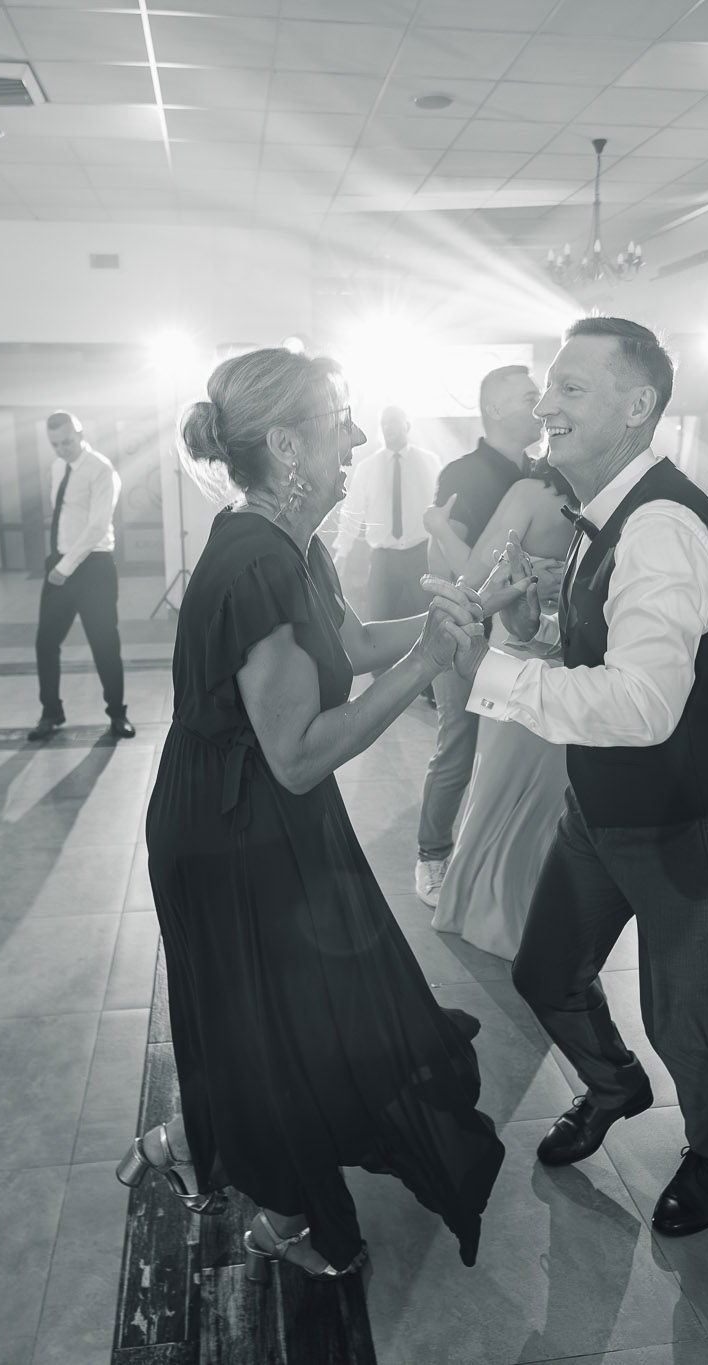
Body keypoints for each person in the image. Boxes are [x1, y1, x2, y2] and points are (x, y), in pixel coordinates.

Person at [130, 346, 504, 1283]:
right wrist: (428, 666)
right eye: (340, 422)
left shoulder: (292, 542)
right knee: (270, 1023)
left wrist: (454, 617)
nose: (359, 437)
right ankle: (286, 1207)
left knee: (300, 1010)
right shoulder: (257, 561)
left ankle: (205, 1147)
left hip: (264, 815)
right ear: (287, 446)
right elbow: (295, 756)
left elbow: (351, 643)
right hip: (228, 828)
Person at [442, 317, 708, 1239]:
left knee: (680, 1016)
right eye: (549, 387)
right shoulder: (604, 511)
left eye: (571, 387)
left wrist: (489, 671)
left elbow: (642, 705)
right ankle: (614, 1084)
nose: (545, 403)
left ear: (638, 406)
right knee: (546, 971)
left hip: (693, 820)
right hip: (604, 808)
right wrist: (528, 633)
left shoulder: (661, 524)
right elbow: (610, 656)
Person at [425, 458, 578, 959]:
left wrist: (437, 527)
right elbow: (479, 583)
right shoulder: (586, 503)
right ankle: (509, 917)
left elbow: (472, 578)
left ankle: (478, 911)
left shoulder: (533, 493)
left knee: (502, 793)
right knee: (535, 801)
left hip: (531, 653)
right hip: (554, 656)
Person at [415, 364, 542, 906]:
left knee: (512, 752)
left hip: (527, 634)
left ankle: (492, 860)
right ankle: (432, 855)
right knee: (460, 746)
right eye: (530, 397)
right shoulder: (464, 474)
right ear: (494, 409)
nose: (542, 405)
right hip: (469, 631)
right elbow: (445, 565)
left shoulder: (544, 471)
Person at [27, 411, 132, 742]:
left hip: (94, 567)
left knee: (104, 644)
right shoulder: (57, 468)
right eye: (55, 444)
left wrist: (64, 567)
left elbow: (98, 525)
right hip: (60, 562)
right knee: (45, 643)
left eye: (67, 442)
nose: (62, 449)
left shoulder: (101, 469)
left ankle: (117, 714)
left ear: (81, 434)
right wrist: (57, 563)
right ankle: (51, 712)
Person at [333, 404, 441, 623]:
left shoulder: (429, 461)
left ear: (407, 425)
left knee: (429, 620)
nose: (388, 427)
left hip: (420, 555)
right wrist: (342, 551)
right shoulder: (367, 468)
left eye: (393, 422)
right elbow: (353, 510)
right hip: (383, 559)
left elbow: (441, 506)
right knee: (377, 619)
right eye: (384, 423)